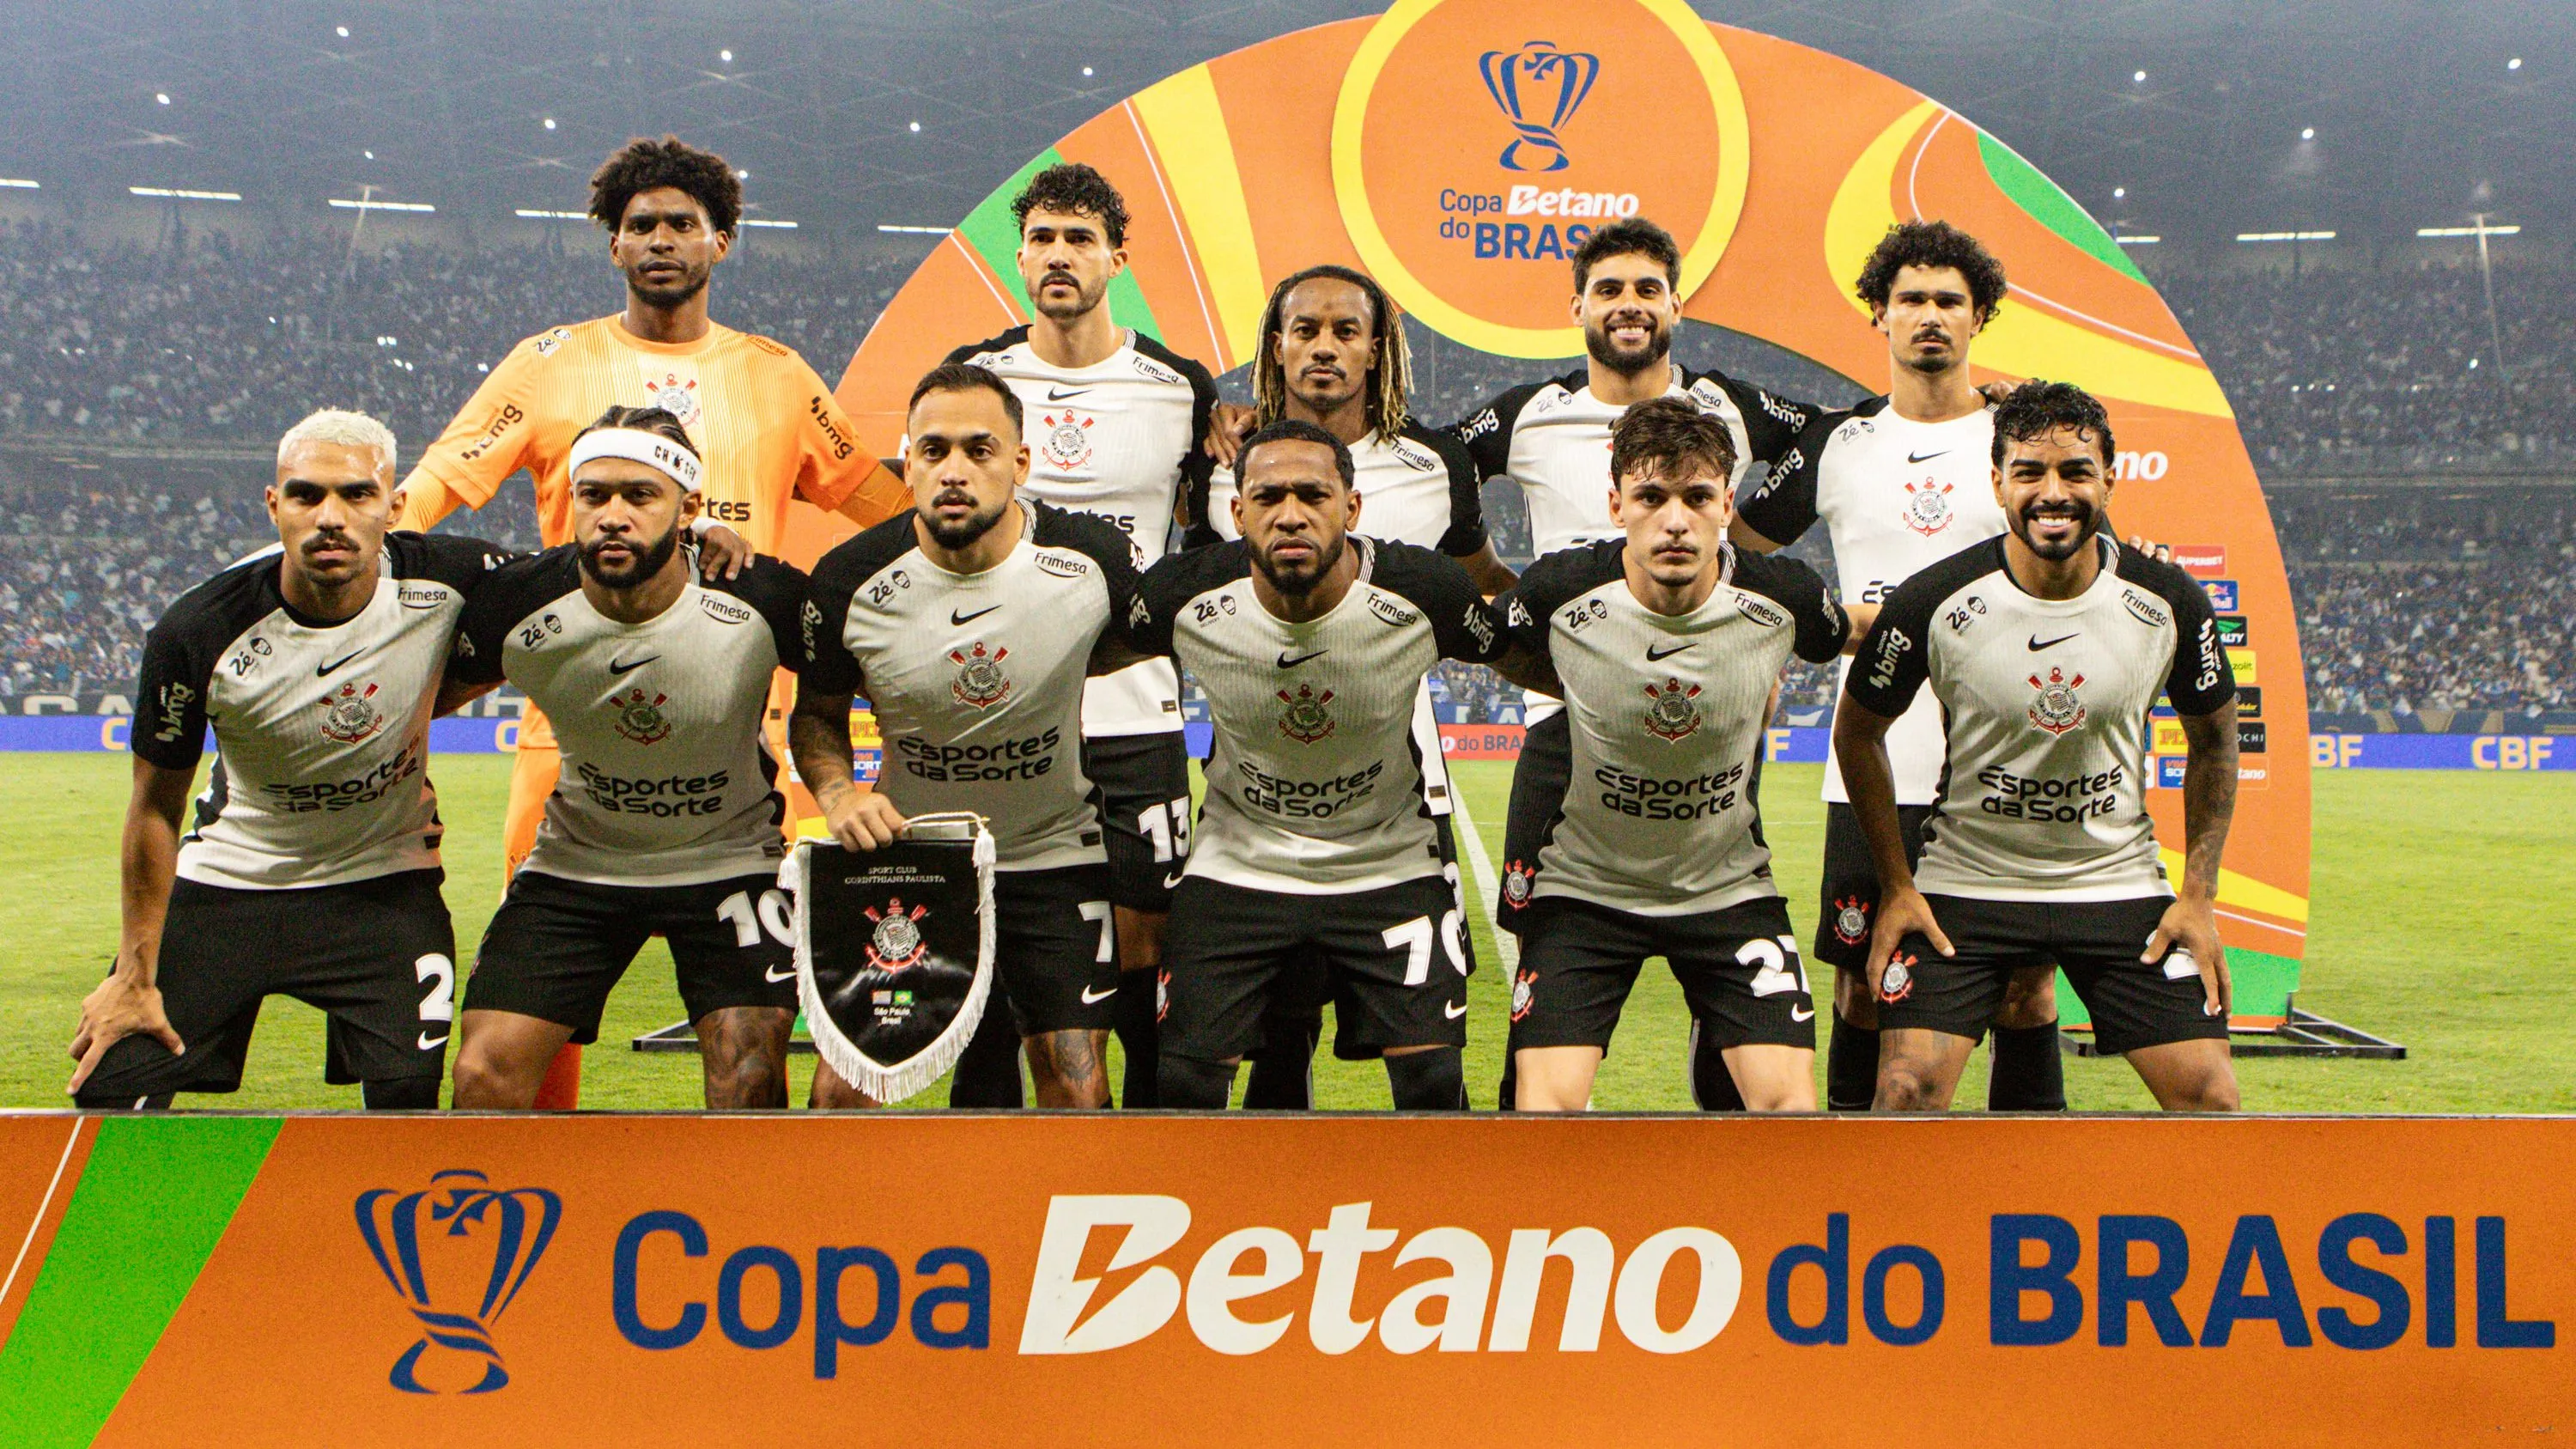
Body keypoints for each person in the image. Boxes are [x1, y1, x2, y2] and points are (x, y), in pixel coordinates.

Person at [398, 134, 908, 1106]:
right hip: (570, 722)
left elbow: (879, 507)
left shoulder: (778, 374)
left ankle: (746, 1217)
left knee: (754, 1033)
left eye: (683, 224)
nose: (662, 240)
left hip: (739, 727)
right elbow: (430, 491)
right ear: (614, 246)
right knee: (532, 1016)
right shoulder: (546, 364)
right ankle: (538, 1196)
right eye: (642, 226)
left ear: (721, 243)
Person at [1452, 216, 1819, 1110]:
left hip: (1701, 698)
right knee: (1545, 995)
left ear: (1676, 305)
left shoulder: (1727, 404)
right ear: (1577, 305)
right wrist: (1492, 574)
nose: (1628, 305)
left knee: (1710, 872)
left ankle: (1723, 1072)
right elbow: (1434, 456)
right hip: (1564, 734)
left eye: (1647, 288)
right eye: (1609, 289)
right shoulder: (1531, 413)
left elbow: (1830, 437)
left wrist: (1754, 560)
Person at [67, 410, 506, 1110]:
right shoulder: (197, 629)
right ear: (275, 506)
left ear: (395, 507)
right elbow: (154, 807)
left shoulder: (452, 578)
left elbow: (578, 581)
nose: (330, 515)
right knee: (111, 1091)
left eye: (356, 495)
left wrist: (700, 539)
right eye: (306, 495)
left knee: (407, 1104)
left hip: (382, 883)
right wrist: (134, 973)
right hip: (231, 878)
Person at [1734, 219, 2068, 1113]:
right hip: (1875, 758)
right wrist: (1815, 622)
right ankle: (1850, 1196)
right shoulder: (1836, 444)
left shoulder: (2025, 439)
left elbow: (2080, 576)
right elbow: (1734, 553)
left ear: (1979, 318)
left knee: (2023, 988)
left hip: (2012, 756)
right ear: (1878, 315)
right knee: (1863, 986)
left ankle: (2025, 1195)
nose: (1929, 317)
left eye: (1949, 302)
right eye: (1911, 299)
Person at [1835, 381, 2240, 1112]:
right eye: (2029, 472)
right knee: (1902, 1090)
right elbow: (1858, 732)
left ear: (2109, 479)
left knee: (2212, 1098)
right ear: (1997, 483)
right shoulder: (1933, 600)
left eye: (2076, 472)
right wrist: (1898, 883)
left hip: (2116, 884)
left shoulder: (2168, 600)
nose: (2053, 493)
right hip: (1968, 882)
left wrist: (2200, 893)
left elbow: (2215, 740)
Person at [1125, 420, 1550, 1111]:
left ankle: (1442, 1218)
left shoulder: (1423, 589)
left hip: (1387, 861)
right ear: (1237, 514)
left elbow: (1524, 659)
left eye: (1313, 495)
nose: (1290, 514)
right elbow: (1083, 656)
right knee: (1185, 1086)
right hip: (1239, 864)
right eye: (1268, 498)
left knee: (1435, 1086)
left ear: (1350, 509)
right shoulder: (1185, 593)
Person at [1192, 264, 1510, 1108]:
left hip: (1401, 795)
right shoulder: (1237, 456)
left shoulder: (1436, 463)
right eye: (1304, 330)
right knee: (1277, 1047)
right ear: (1277, 346)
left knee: (1431, 1059)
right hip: (1260, 797)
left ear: (1378, 348)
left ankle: (1431, 1225)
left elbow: (1485, 586)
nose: (1324, 347)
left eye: (1344, 331)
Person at [940, 162, 1220, 1108]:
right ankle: (983, 1140)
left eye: (1080, 239)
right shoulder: (976, 379)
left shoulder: (1178, 386)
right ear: (1020, 257)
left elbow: (1209, 532)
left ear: (1117, 259)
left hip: (1135, 705)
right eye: (1044, 240)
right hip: (1000, 708)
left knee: (1147, 928)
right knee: (990, 924)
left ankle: (1144, 1135)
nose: (1059, 256)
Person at [439, 408, 811, 1110]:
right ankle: (519, 1216)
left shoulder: (759, 593)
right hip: (579, 864)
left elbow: (838, 689)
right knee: (484, 1074)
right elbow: (420, 696)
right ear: (568, 502)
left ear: (688, 507)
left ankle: (743, 1219)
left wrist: (845, 788)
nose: (613, 514)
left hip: (729, 860)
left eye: (640, 496)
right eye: (594, 494)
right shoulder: (520, 601)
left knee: (750, 1073)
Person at [796, 365, 1144, 1109]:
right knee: (839, 1095)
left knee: (1078, 1092)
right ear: (908, 460)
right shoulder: (850, 580)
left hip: (1054, 856)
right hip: (910, 863)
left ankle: (1049, 1228)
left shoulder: (1092, 562)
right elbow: (817, 714)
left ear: (1021, 462)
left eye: (980, 450)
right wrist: (838, 790)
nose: (954, 470)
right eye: (934, 450)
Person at [1498, 398, 1856, 1111]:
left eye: (1696, 497)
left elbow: (1851, 631)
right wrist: (1568, 684)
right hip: (1587, 890)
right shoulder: (1559, 590)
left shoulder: (1783, 597)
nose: (1674, 520)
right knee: (1543, 1115)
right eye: (1651, 497)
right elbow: (1497, 646)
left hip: (1725, 888)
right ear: (1615, 503)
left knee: (1795, 1115)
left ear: (1727, 503)